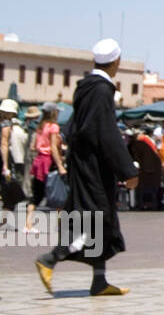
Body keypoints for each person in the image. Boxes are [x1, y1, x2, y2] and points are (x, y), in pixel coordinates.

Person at [35, 40, 138, 296]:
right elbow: (106, 132)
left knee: (97, 217)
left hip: (84, 165)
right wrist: (128, 170)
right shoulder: (102, 91)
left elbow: (74, 129)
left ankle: (99, 282)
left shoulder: (84, 88)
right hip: (94, 167)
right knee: (98, 221)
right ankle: (50, 258)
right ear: (116, 62)